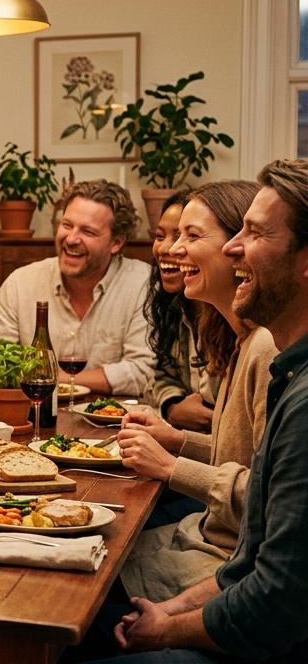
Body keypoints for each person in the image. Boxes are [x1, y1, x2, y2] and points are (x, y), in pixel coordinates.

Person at [98, 160, 308, 662]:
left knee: (74, 604)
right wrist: (175, 439)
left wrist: (168, 627)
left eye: (253, 234)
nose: (236, 247)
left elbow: (273, 597)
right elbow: (253, 552)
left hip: (222, 573)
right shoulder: (279, 362)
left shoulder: (273, 360)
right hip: (220, 570)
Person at [115, 181, 276, 604]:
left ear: (237, 247)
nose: (173, 249)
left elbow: (266, 498)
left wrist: (170, 466)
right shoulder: (238, 338)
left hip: (222, 558)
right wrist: (178, 439)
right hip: (204, 535)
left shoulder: (265, 347)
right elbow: (247, 458)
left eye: (191, 236)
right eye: (169, 236)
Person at [0, 180, 154, 397]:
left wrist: (50, 377)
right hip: (35, 420)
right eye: (67, 225)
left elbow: (141, 373)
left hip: (115, 424)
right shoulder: (21, 283)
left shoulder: (143, 284)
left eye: (88, 231)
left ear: (116, 242)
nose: (71, 239)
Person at [143, 191, 220, 431]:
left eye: (185, 236)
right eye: (159, 236)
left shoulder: (236, 320)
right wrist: (173, 406)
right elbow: (159, 376)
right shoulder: (174, 306)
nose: (167, 248)